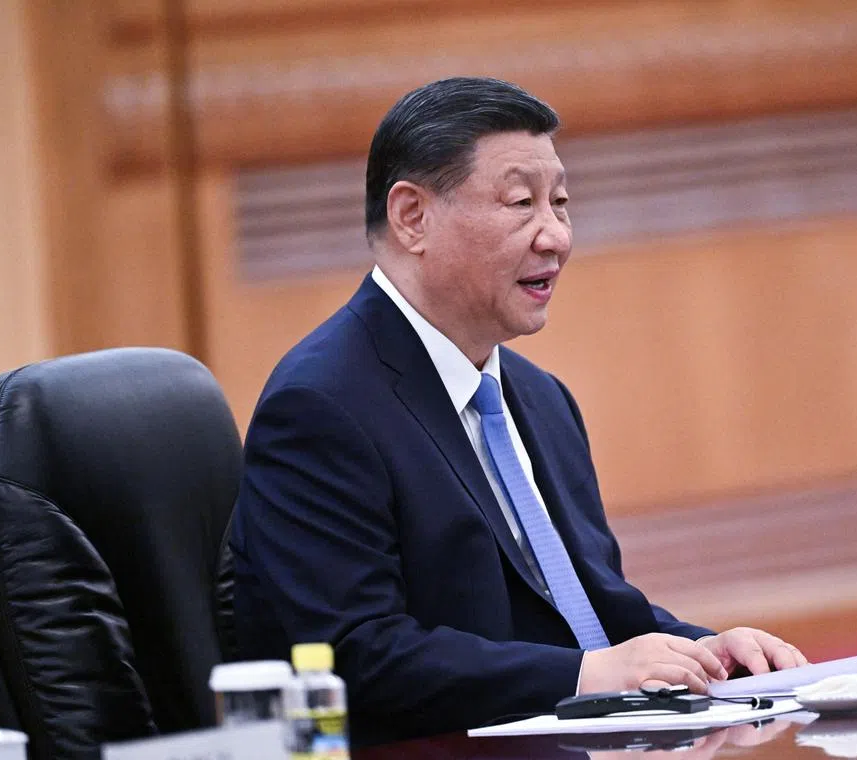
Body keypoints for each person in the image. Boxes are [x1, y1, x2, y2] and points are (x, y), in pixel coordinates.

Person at [229, 76, 808, 745]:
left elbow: (591, 611)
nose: (556, 237)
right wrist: (586, 675)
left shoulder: (538, 397)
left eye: (560, 203)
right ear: (412, 217)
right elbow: (355, 656)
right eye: (520, 203)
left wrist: (709, 653)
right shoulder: (321, 406)